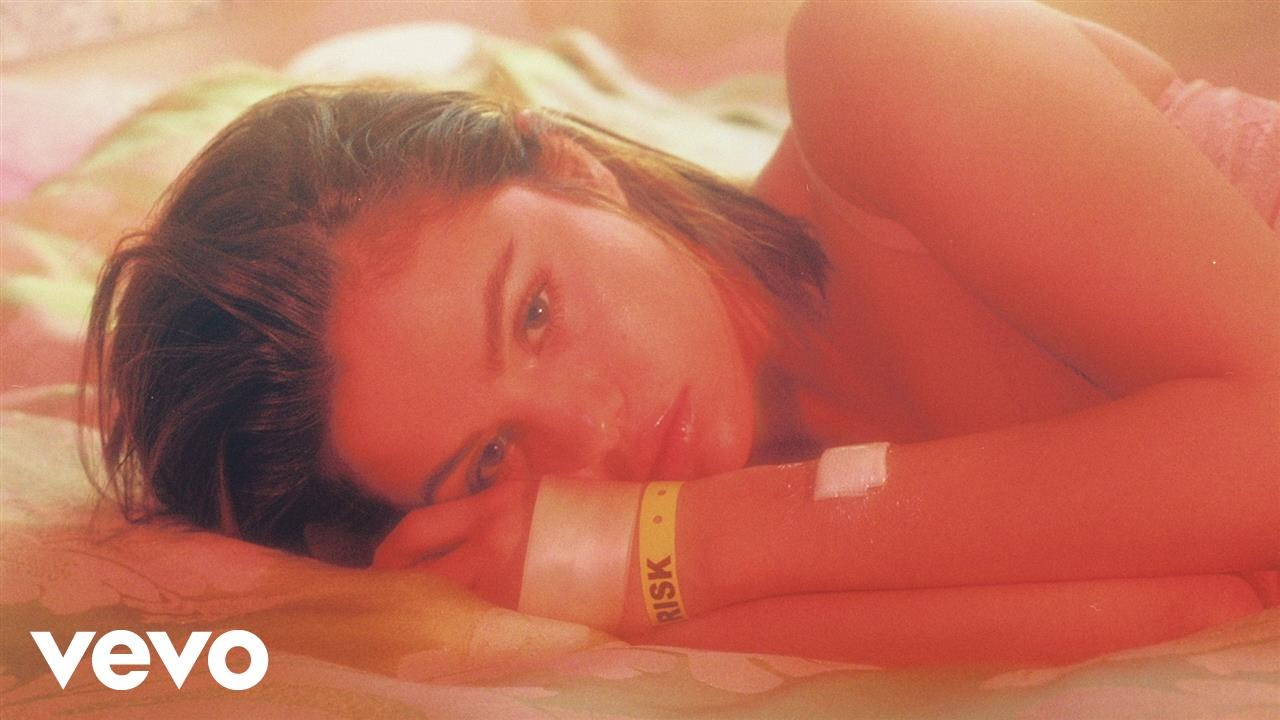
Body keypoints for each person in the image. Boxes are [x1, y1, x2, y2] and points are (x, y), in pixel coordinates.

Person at [84, 1, 1278, 666]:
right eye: (491, 459)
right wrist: (642, 575)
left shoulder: (882, 63)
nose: (590, 433)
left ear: (573, 168)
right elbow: (1195, 610)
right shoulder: (729, 532)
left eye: (535, 314)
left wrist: (677, 545)